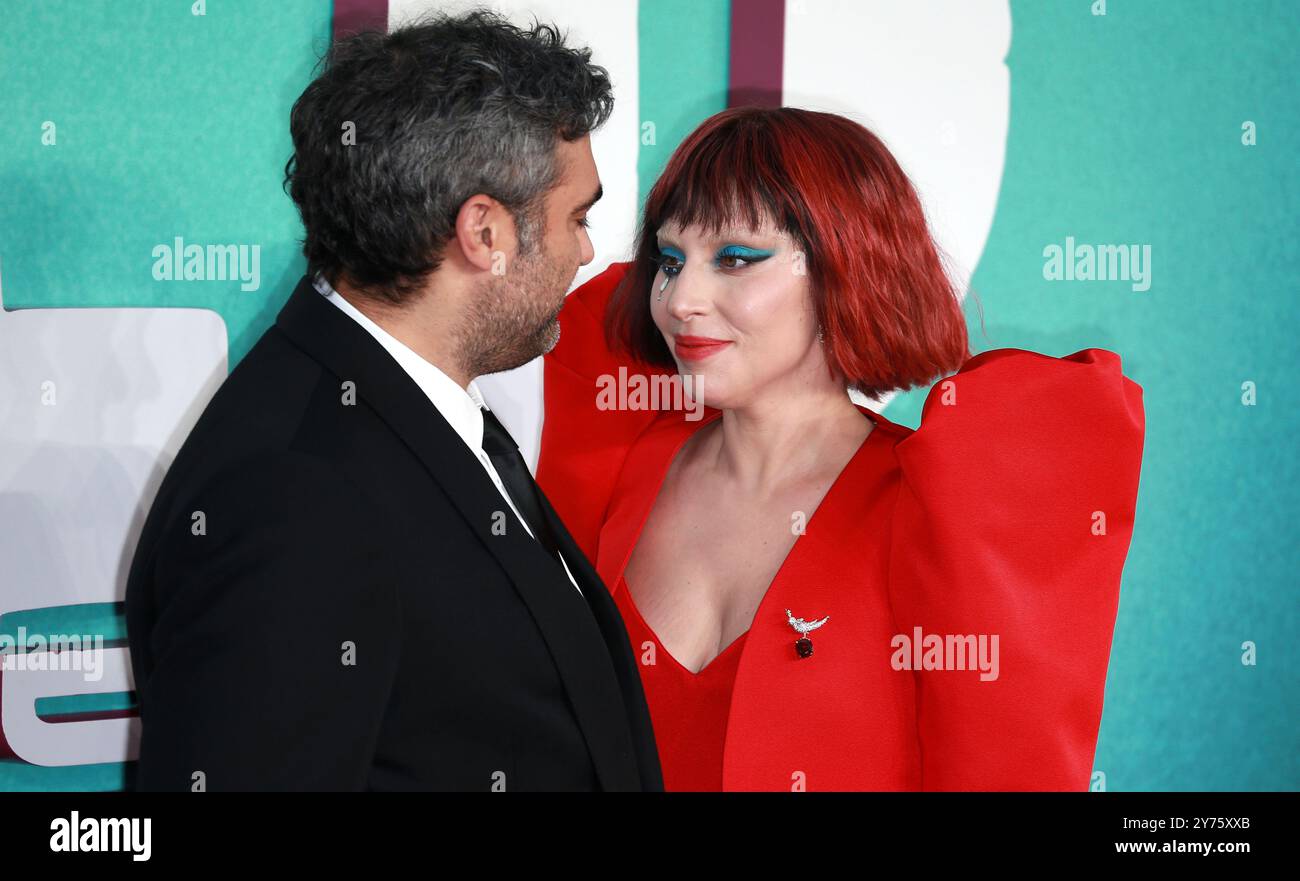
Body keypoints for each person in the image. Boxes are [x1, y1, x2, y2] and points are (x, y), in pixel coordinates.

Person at [124, 11, 662, 791]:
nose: (587, 250)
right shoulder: (291, 493)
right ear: (484, 232)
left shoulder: (411, 404)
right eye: (577, 217)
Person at [536, 106, 1146, 791]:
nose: (682, 299)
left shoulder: (934, 508)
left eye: (736, 258)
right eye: (671, 261)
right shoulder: (619, 462)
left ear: (844, 270)